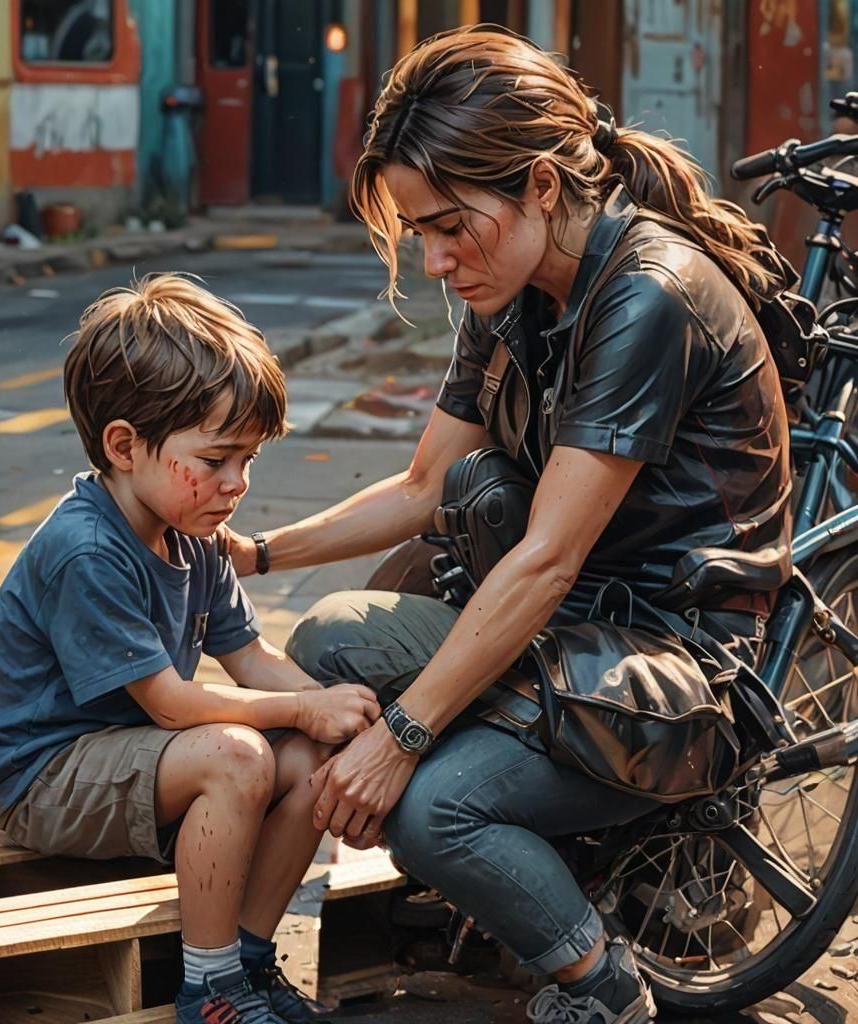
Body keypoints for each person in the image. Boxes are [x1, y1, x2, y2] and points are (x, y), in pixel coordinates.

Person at [225, 26, 794, 1024]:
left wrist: (401, 737)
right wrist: (258, 552)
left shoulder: (646, 296)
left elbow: (545, 555)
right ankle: (524, 860)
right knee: (325, 641)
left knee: (433, 808)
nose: (437, 260)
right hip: (558, 627)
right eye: (419, 234)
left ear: (538, 184)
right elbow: (424, 486)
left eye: (450, 226)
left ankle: (602, 987)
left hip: (669, 664)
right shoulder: (511, 287)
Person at [0, 274, 380, 1024]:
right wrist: (302, 706)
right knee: (241, 754)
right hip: (45, 773)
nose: (237, 485)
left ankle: (249, 962)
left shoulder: (196, 536)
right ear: (124, 446)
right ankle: (211, 991)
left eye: (249, 461)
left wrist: (339, 724)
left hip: (137, 755)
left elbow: (251, 657)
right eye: (218, 459)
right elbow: (169, 702)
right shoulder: (85, 550)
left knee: (308, 759)